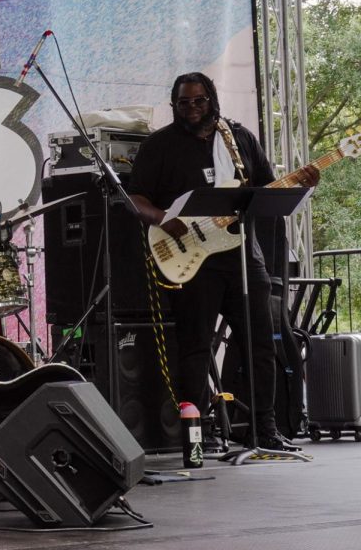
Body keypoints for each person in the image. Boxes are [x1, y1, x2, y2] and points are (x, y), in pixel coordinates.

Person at [126, 72, 319, 451]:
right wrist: (166, 219)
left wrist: (302, 185)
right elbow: (135, 198)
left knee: (261, 344)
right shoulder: (160, 146)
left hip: (243, 257)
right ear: (174, 105)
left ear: (212, 99)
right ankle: (197, 434)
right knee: (196, 347)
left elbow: (265, 192)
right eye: (184, 103)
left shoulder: (239, 138)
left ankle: (264, 428)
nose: (192, 109)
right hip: (195, 261)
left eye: (199, 101)